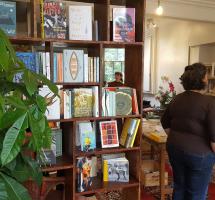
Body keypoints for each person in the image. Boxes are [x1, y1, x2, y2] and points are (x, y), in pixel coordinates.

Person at [161, 63, 215, 200]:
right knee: (196, 194)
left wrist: (177, 136)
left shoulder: (177, 98)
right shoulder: (209, 103)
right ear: (203, 79)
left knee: (179, 187)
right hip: (199, 155)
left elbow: (165, 123)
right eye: (207, 76)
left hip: (174, 148)